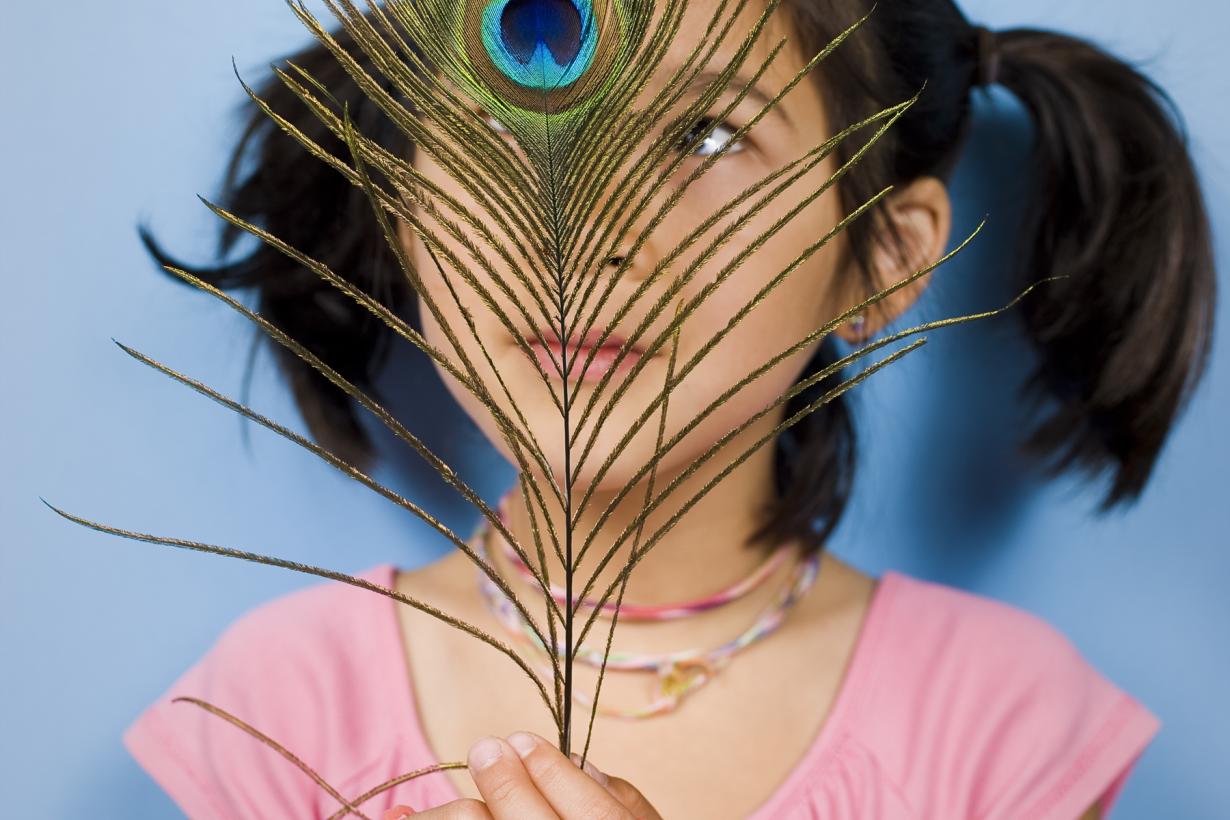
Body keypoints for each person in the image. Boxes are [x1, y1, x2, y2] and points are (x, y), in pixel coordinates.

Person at [123, 0, 1216, 817]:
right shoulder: (270, 709)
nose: (576, 230)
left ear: (882, 257)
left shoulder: (1001, 729)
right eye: (517, 129)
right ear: (403, 211)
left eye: (703, 137)